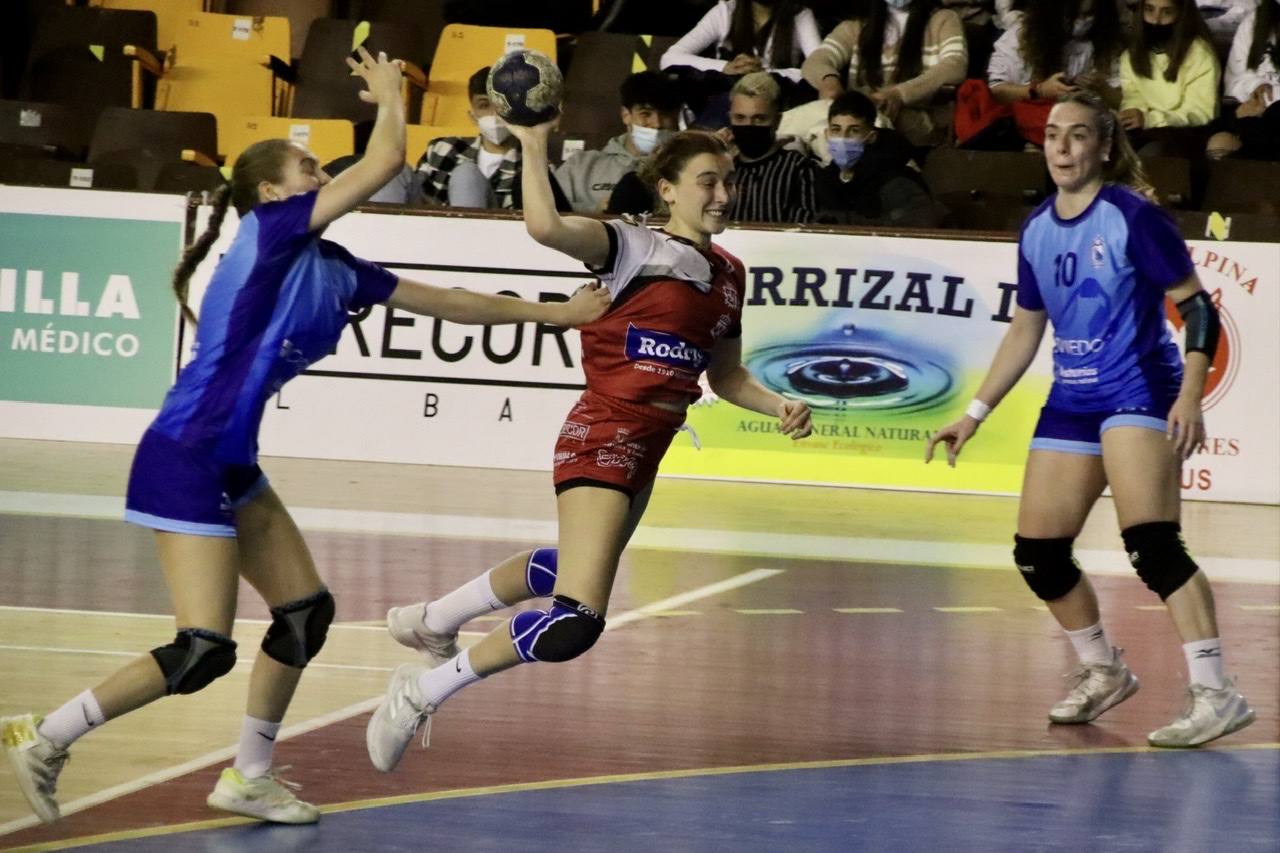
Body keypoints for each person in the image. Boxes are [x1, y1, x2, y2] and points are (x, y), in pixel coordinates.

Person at [0, 48, 609, 827]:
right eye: (310, 167)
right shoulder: (270, 231)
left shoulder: (331, 266)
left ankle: (249, 774)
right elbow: (388, 156)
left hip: (231, 460)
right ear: (271, 191)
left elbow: (451, 301)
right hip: (185, 454)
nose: (322, 177)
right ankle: (45, 735)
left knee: (303, 614)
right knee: (201, 647)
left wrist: (555, 314)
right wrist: (391, 96)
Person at [365, 123, 814, 774]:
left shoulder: (729, 275)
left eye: (729, 180)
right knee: (575, 621)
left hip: (651, 444)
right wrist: (534, 139)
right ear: (668, 189)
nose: (723, 193)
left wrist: (779, 406)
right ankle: (423, 689)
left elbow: (725, 375)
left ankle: (433, 619)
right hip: (605, 430)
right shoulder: (631, 246)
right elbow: (545, 227)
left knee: (573, 564)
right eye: (707, 181)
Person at [925, 91, 1255, 748]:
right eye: (1053, 135)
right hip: (1072, 398)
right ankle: (1104, 668)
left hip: (1138, 389)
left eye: (1078, 136)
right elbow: (1026, 326)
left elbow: (1196, 310)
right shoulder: (1038, 227)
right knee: (1039, 553)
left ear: (1104, 146)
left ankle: (1217, 692)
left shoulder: (1133, 217)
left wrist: (1189, 395)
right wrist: (975, 412)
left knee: (1152, 545)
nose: (1063, 147)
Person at [802, 0, 969, 146]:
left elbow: (954, 66)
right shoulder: (856, 25)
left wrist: (899, 94)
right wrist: (828, 80)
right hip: (857, 117)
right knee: (803, 122)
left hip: (916, 118)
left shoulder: (943, 19)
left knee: (858, 128)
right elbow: (817, 60)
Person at [554, 71, 683, 213]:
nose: (657, 123)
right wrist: (598, 211)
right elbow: (547, 213)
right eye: (645, 114)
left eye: (665, 115)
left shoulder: (687, 169)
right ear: (626, 115)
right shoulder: (580, 165)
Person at [815, 90, 944, 226]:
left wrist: (842, 222)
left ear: (871, 137)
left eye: (854, 131)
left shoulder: (895, 177)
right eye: (836, 129)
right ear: (826, 133)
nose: (843, 138)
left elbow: (917, 228)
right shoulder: (826, 178)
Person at [1118, 0, 1219, 158]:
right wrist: (1133, 114)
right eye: (1149, 10)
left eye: (1166, 12)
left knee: (1153, 154)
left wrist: (1150, 119)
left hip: (1186, 133)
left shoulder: (1200, 54)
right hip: (1144, 131)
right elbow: (1133, 98)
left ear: (1180, 16)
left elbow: (1200, 113)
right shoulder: (1130, 56)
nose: (1156, 20)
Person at [415, 66, 522, 209]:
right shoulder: (442, 149)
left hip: (493, 229)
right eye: (484, 105)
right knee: (396, 172)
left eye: (503, 105)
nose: (495, 114)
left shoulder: (533, 165)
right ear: (472, 116)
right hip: (433, 228)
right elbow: (415, 197)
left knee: (466, 175)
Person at [723, 71, 819, 223]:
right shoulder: (722, 170)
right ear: (730, 118)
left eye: (759, 118)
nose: (749, 126)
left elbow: (806, 230)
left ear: (777, 121)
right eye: (740, 118)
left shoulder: (799, 168)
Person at [1206, 0, 1279, 160]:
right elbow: (1235, 79)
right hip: (1252, 112)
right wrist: (1255, 85)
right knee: (1220, 143)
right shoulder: (1255, 21)